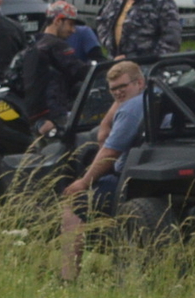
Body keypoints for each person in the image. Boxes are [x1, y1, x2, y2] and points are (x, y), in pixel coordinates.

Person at [58, 60, 147, 279]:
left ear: (139, 83)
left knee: (75, 203)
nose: (117, 93)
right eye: (113, 90)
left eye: (122, 87)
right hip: (147, 171)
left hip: (126, 179)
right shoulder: (153, 99)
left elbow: (109, 153)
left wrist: (83, 182)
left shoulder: (131, 110)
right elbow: (105, 132)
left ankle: (67, 277)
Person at [15, 3, 91, 133]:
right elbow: (81, 72)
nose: (73, 30)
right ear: (57, 21)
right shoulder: (56, 45)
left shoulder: (34, 44)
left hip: (33, 115)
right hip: (53, 116)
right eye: (70, 24)